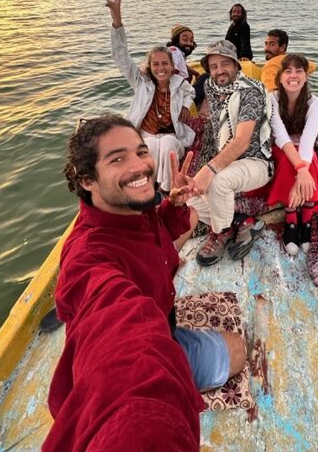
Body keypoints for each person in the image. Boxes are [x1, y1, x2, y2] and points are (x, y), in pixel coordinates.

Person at [42, 115, 246, 452]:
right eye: (118, 159)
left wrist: (174, 205)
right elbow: (122, 341)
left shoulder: (132, 209)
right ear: (88, 180)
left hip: (164, 320)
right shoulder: (88, 258)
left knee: (192, 215)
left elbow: (160, 231)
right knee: (237, 350)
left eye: (141, 152)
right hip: (151, 341)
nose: (140, 166)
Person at [188, 40, 272, 266]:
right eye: (213, 66)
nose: (219, 70)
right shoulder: (211, 87)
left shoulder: (250, 92)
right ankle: (244, 222)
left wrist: (210, 168)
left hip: (255, 161)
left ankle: (222, 232)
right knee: (190, 202)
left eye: (225, 64)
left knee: (218, 182)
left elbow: (242, 140)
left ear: (236, 65)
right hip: (227, 160)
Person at [106, 0, 195, 192]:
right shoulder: (141, 82)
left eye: (165, 64)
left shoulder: (179, 83)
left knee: (168, 147)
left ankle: (165, 191)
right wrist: (117, 19)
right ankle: (150, 188)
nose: (160, 68)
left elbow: (191, 93)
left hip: (172, 133)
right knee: (152, 146)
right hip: (146, 133)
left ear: (172, 66)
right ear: (150, 65)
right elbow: (121, 56)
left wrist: (185, 105)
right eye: (156, 64)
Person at [265, 54, 318, 255]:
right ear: (280, 77)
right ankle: (291, 219)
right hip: (280, 145)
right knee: (287, 161)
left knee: (311, 161)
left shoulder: (315, 103)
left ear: (306, 76)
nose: (294, 76)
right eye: (288, 71)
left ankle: (307, 219)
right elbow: (280, 136)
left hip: (303, 144)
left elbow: (309, 138)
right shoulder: (272, 99)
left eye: (299, 71)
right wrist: (300, 169)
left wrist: (303, 168)